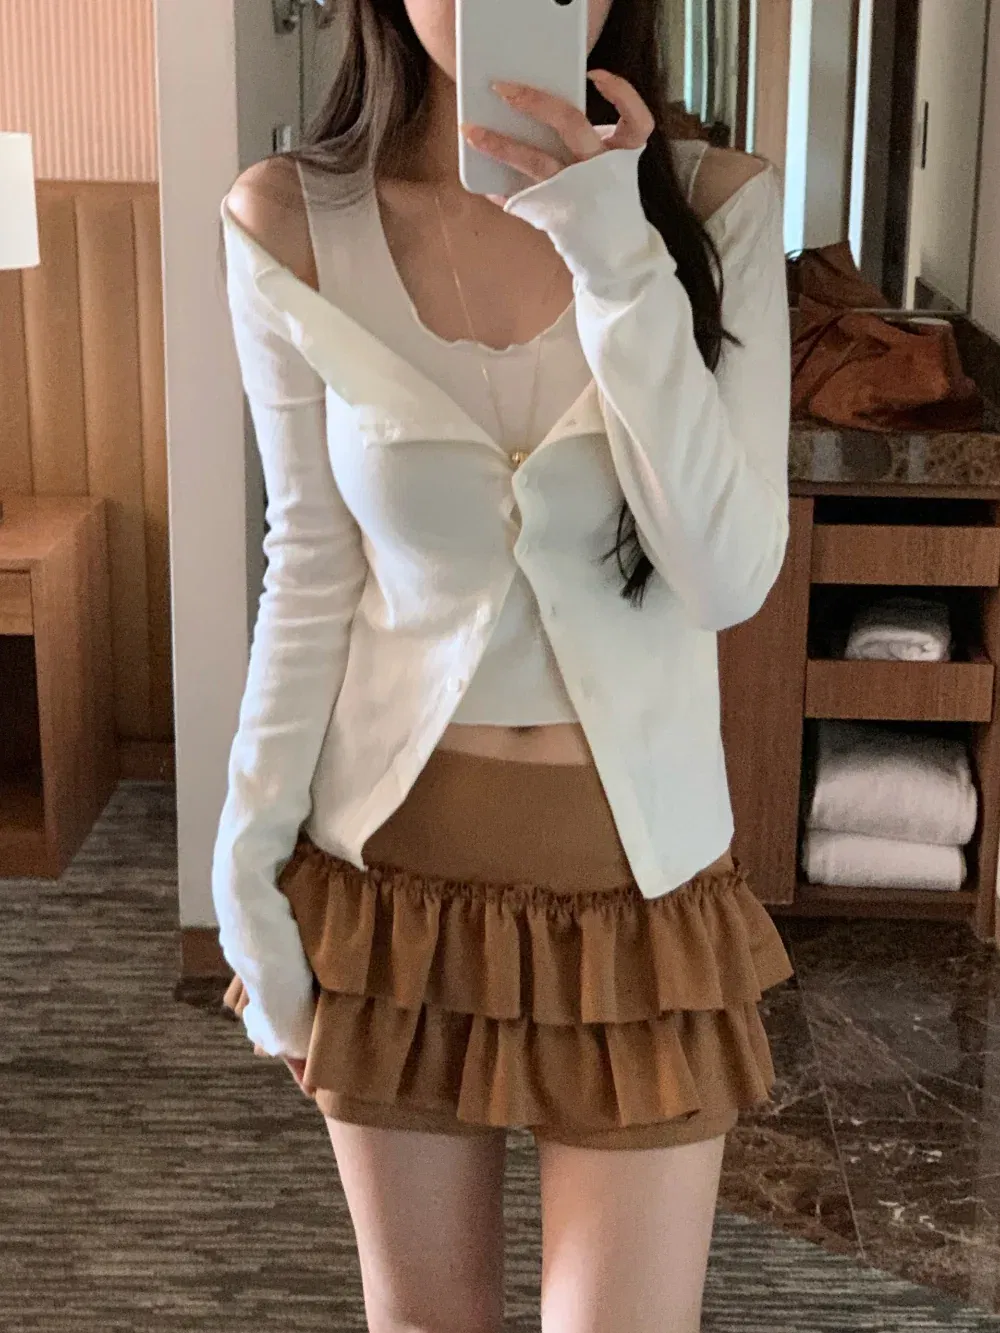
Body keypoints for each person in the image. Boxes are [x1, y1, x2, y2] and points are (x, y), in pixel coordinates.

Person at [213, 0, 793, 1329]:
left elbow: (725, 576)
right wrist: (244, 865)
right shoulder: (290, 221)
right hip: (390, 895)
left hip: (642, 903)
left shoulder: (716, 208)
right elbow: (308, 566)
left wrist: (614, 245)